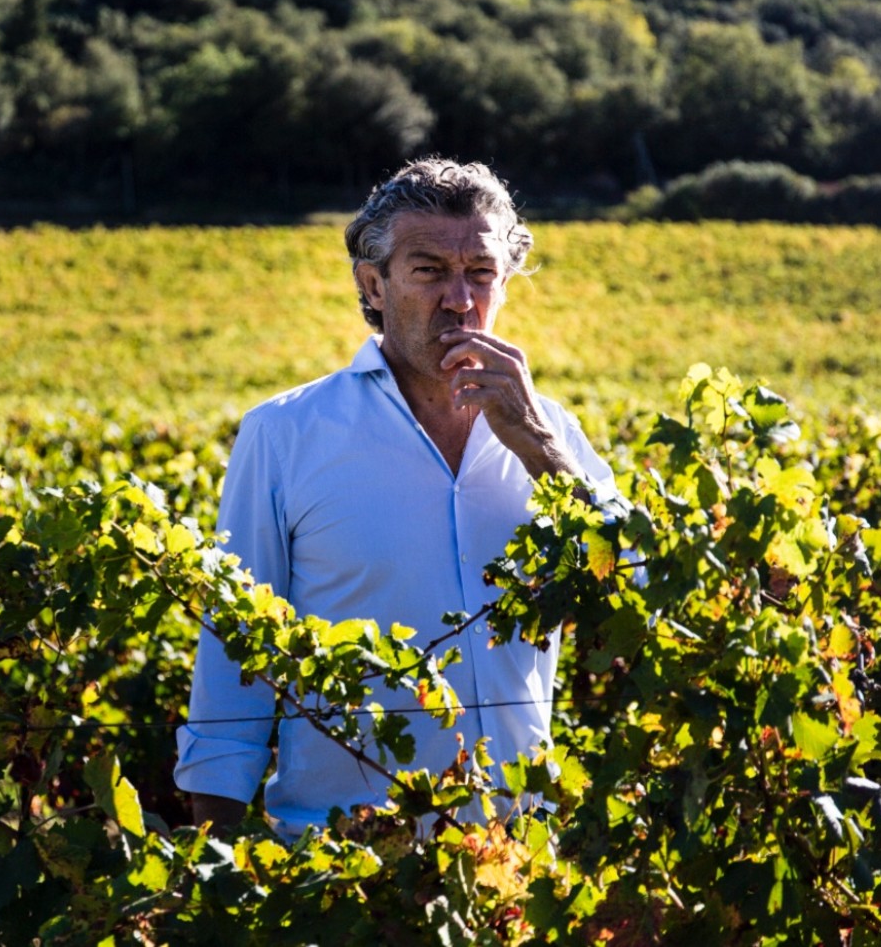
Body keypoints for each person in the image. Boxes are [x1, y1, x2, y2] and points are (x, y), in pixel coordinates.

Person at [174, 157, 616, 838]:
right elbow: (234, 666)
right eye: (429, 271)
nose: (460, 300)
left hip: (520, 857)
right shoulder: (285, 434)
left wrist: (537, 446)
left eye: (481, 273)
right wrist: (212, 866)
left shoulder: (551, 432)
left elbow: (638, 587)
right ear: (372, 284)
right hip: (342, 863)